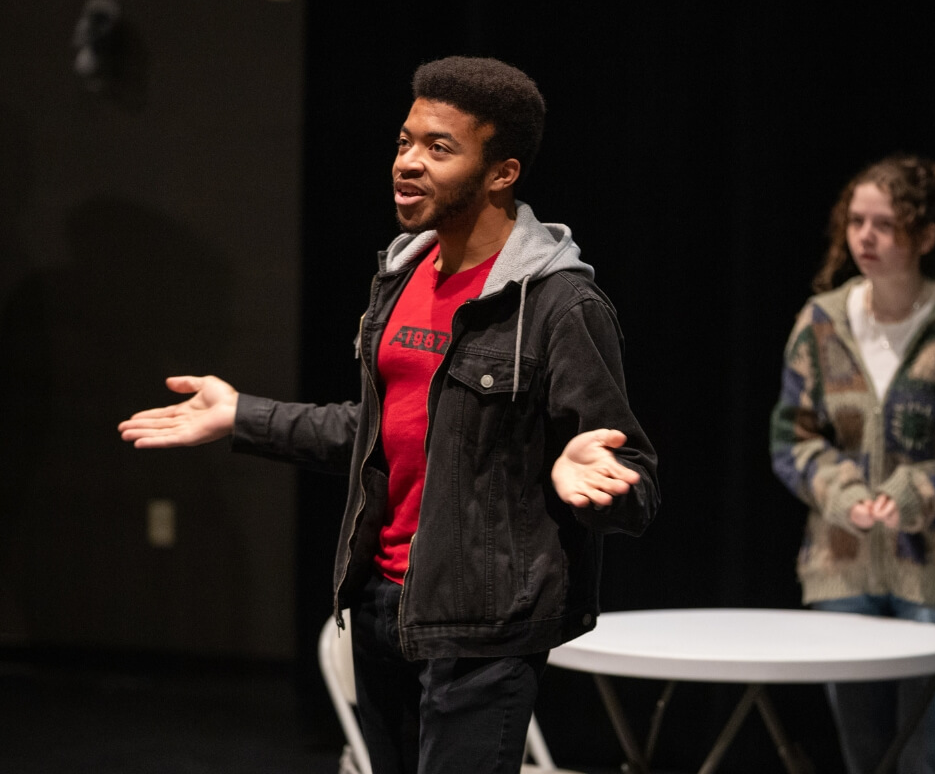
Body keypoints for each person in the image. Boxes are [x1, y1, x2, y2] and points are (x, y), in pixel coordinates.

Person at [119, 56, 659, 774]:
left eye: (439, 148)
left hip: (480, 628)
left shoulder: (559, 305)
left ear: (503, 172)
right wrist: (242, 416)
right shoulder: (402, 276)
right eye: (405, 142)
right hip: (381, 604)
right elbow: (378, 433)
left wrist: (590, 475)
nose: (407, 163)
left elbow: (635, 485)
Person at [768, 155, 935, 774]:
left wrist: (918, 492)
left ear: (925, 236)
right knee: (865, 758)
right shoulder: (821, 321)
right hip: (843, 569)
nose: (866, 237)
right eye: (856, 221)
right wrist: (841, 491)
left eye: (885, 223)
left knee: (930, 756)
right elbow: (790, 440)